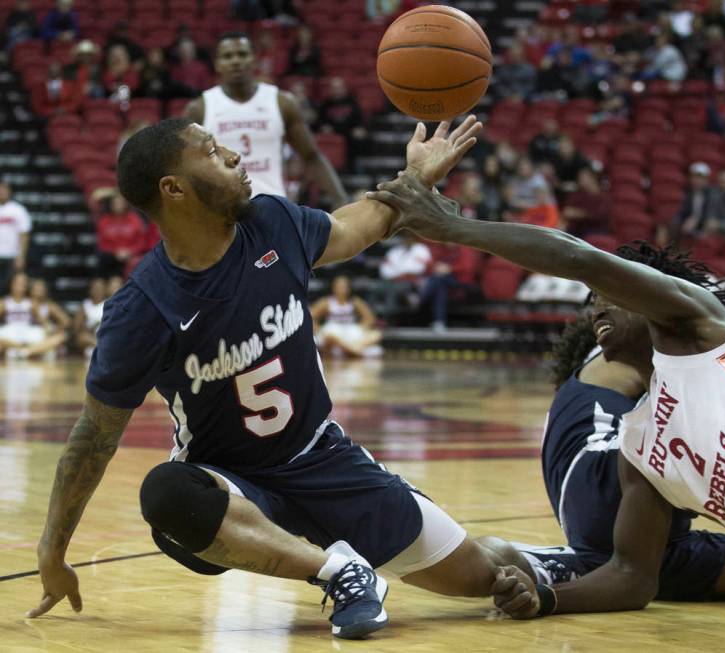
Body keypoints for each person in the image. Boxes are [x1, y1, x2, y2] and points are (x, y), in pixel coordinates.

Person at [27, 116, 541, 639]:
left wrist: (416, 177)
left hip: (325, 459)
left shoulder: (272, 223)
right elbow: (94, 436)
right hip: (238, 488)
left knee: (485, 575)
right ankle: (341, 574)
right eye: (210, 150)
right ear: (173, 188)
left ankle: (551, 562)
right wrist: (52, 546)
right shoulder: (142, 307)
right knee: (168, 497)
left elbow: (359, 224)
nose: (232, 155)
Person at [368, 174, 725, 619]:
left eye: (608, 295)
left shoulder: (702, 328)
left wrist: (452, 228)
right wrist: (547, 600)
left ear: (645, 292)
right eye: (592, 300)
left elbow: (578, 257)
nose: (595, 307)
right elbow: (633, 577)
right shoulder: (641, 443)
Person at [481, 315, 725, 605]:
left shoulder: (589, 380)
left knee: (505, 561)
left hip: (601, 528)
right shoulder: (626, 346)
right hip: (609, 476)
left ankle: (499, 561)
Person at [184, 33, 346, 207]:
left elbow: (311, 156)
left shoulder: (281, 102)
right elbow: (186, 167)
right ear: (217, 64)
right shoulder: (199, 108)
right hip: (223, 211)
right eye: (228, 56)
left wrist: (340, 198)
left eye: (242, 54)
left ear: (254, 59)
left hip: (274, 208)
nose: (236, 61)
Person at [311, 275, 382, 358]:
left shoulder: (355, 301)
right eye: (339, 286)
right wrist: (319, 330)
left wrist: (362, 327)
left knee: (377, 334)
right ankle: (355, 350)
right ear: (333, 287)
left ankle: (350, 350)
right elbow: (311, 317)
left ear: (349, 288)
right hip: (333, 330)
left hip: (350, 330)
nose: (342, 289)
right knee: (329, 336)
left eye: (344, 286)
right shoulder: (326, 302)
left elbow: (369, 318)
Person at [376, 231, 431, 320]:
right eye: (405, 238)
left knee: (393, 290)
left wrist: (400, 273)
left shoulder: (421, 249)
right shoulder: (396, 251)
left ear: (414, 239)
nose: (407, 240)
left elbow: (419, 269)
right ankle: (371, 316)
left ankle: (387, 318)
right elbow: (385, 268)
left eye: (410, 238)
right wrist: (396, 274)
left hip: (411, 281)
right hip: (392, 279)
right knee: (375, 288)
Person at [95, 193, 147, 278]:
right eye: (115, 203)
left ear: (125, 204)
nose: (118, 206)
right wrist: (115, 252)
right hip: (109, 258)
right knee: (98, 286)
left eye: (120, 203)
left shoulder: (135, 220)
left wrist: (130, 251)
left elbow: (142, 241)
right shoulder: (104, 221)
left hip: (128, 258)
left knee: (115, 284)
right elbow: (101, 243)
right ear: (111, 205)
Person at [0, 272, 45, 359]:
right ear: (11, 284)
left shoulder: (32, 303)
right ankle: (26, 350)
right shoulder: (4, 302)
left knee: (58, 338)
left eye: (23, 284)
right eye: (18, 284)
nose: (20, 287)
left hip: (27, 332)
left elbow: (43, 323)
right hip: (9, 333)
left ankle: (18, 351)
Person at [670, 162, 717, 240]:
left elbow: (711, 214)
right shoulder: (689, 192)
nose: (697, 181)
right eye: (695, 177)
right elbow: (683, 211)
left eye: (700, 178)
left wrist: (696, 220)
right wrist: (676, 221)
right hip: (690, 226)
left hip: (705, 225)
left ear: (706, 180)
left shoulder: (712, 194)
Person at [560, 168, 611, 238]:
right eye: (579, 177)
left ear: (593, 178)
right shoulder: (577, 195)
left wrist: (578, 214)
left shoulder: (604, 197)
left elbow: (598, 216)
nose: (580, 179)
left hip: (596, 230)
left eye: (583, 177)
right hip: (577, 231)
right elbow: (567, 211)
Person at [0, 181, 31, 294]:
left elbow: (24, 234)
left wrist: (21, 255)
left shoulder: (18, 210)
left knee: (10, 287)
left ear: (10, 192)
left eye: (4, 189)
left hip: (11, 255)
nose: (1, 192)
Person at [29, 278, 70, 360]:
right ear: (30, 290)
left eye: (42, 288)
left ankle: (28, 352)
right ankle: (35, 351)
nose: (39, 290)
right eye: (37, 287)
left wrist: (56, 329)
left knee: (63, 336)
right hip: (28, 334)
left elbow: (66, 321)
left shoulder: (48, 305)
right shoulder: (25, 303)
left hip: (44, 334)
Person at [72, 277, 106, 358]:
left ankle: (103, 347)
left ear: (105, 290)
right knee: (82, 337)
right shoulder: (85, 305)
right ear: (90, 290)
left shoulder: (109, 304)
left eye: (100, 288)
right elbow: (76, 329)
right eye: (95, 288)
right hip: (91, 338)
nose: (98, 291)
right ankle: (103, 347)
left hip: (105, 336)